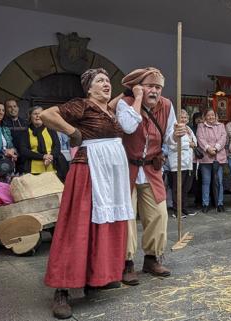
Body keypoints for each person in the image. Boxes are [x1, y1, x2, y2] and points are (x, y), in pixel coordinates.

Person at [41, 68, 135, 319]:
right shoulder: (82, 105)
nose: (106, 84)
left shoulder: (110, 110)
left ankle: (97, 277)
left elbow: (123, 98)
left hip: (111, 174)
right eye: (100, 81)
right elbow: (48, 114)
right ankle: (62, 289)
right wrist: (73, 133)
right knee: (77, 226)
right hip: (89, 170)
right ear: (89, 88)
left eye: (107, 80)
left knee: (103, 224)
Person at [111, 67, 186, 285]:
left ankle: (152, 258)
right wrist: (137, 98)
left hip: (152, 169)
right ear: (138, 87)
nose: (154, 91)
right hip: (127, 168)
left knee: (159, 214)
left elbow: (170, 139)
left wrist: (177, 135)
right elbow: (127, 126)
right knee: (126, 217)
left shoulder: (167, 105)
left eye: (158, 87)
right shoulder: (125, 103)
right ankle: (127, 263)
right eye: (150, 86)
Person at [17, 106, 69, 181]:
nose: (38, 116)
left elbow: (57, 146)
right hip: (33, 170)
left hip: (51, 168)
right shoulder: (25, 132)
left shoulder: (51, 130)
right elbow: (24, 151)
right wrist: (43, 156)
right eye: (35, 114)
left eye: (40, 113)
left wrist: (51, 156)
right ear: (30, 117)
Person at [166, 109, 197, 217]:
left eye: (185, 117)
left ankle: (184, 208)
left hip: (188, 162)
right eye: (181, 117)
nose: (183, 119)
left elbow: (195, 142)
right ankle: (176, 210)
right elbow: (172, 145)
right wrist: (188, 144)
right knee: (177, 188)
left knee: (185, 188)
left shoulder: (189, 129)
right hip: (177, 163)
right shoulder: (174, 129)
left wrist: (192, 144)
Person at [196, 109, 228, 213]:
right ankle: (205, 203)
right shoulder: (201, 126)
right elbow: (200, 138)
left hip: (218, 157)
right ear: (204, 116)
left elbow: (223, 138)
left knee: (219, 181)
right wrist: (208, 148)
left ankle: (220, 203)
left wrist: (216, 148)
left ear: (216, 116)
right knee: (206, 182)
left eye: (213, 115)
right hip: (206, 157)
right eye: (208, 115)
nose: (211, 117)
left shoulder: (221, 125)